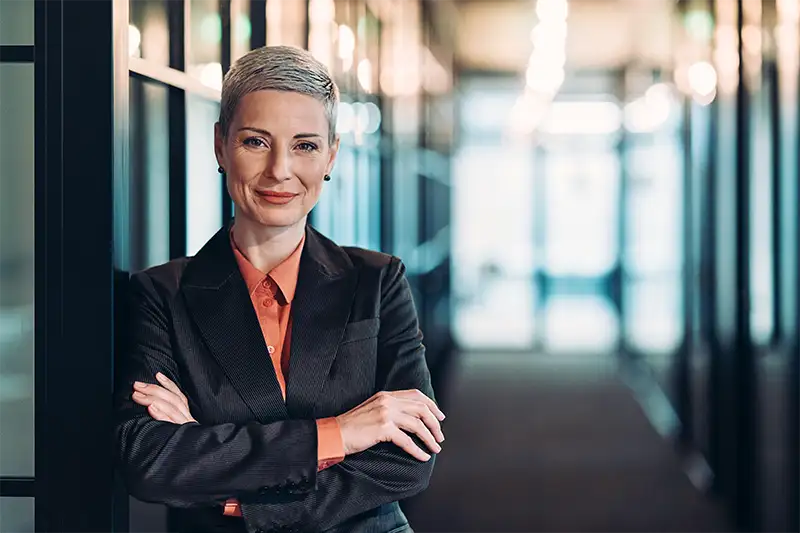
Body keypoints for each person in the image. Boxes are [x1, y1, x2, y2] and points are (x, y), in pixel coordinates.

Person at [114, 45, 444, 533]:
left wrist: (228, 491)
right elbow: (151, 460)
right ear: (220, 145)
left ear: (331, 154)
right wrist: (342, 432)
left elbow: (409, 458)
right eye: (256, 142)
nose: (280, 171)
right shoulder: (161, 294)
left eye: (305, 145)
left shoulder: (376, 281)